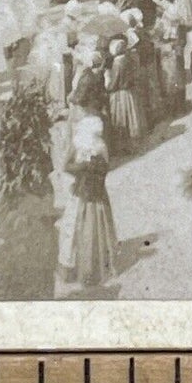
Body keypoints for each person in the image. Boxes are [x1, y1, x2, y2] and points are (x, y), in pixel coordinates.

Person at [64, 111, 117, 289]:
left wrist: (93, 169)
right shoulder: (78, 144)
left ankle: (95, 268)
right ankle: (87, 269)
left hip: (95, 191)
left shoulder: (100, 146)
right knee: (89, 229)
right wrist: (83, 168)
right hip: (84, 191)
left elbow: (105, 167)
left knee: (92, 229)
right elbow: (66, 165)